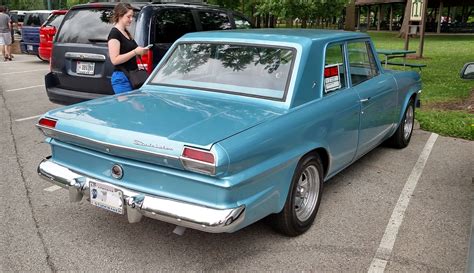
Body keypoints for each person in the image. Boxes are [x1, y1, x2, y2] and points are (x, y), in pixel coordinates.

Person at [107, 3, 148, 94]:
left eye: (132, 17)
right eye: (128, 16)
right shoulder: (114, 34)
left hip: (133, 76)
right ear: (120, 16)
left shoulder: (126, 32)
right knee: (126, 107)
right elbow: (115, 60)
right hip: (122, 78)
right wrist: (134, 52)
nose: (131, 19)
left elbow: (134, 50)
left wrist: (142, 51)